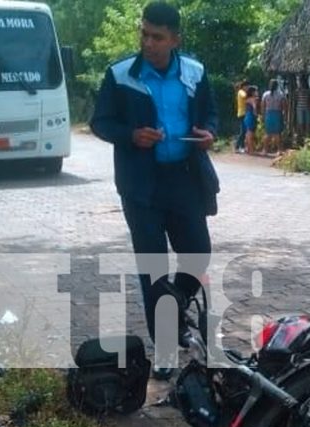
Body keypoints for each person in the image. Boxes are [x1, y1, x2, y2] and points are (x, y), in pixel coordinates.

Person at [90, 2, 219, 378]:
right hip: (140, 184)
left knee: (197, 255)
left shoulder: (195, 72)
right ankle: (164, 345)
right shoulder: (120, 75)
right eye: (144, 33)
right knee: (153, 267)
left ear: (175, 39)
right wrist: (131, 135)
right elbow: (100, 122)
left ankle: (174, 310)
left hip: (184, 178)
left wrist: (209, 133)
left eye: (157, 36)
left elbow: (211, 114)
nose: (148, 42)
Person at [261, 78, 287, 153]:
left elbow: (263, 106)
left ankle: (265, 150)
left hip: (268, 114)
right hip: (277, 113)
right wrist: (284, 115)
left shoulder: (265, 94)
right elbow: (284, 106)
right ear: (277, 86)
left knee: (267, 133)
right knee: (277, 133)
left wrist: (263, 115)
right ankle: (279, 150)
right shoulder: (280, 94)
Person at [294, 74, 310, 145]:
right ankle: (303, 137)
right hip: (300, 108)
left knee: (307, 123)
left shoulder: (307, 90)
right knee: (301, 123)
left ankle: (306, 138)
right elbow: (295, 98)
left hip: (306, 108)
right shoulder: (298, 90)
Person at [243, 86, 258, 155]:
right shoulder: (253, 99)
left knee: (247, 133)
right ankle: (251, 150)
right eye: (255, 91)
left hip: (247, 116)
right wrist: (256, 114)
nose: (256, 92)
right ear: (252, 92)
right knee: (250, 134)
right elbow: (254, 108)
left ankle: (247, 148)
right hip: (251, 116)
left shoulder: (247, 99)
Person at [234, 80, 248, 153]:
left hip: (244, 113)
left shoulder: (242, 91)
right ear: (243, 86)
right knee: (242, 131)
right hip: (242, 113)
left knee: (244, 131)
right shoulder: (241, 92)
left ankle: (242, 147)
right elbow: (244, 96)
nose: (247, 87)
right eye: (247, 86)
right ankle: (237, 146)